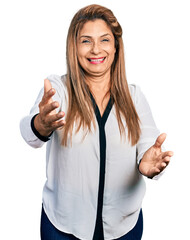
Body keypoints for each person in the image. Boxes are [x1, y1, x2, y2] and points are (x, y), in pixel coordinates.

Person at [20, 4, 173, 240]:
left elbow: (149, 145)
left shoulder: (135, 97)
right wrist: (41, 124)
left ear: (115, 47)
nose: (95, 50)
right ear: (74, 47)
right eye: (85, 41)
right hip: (63, 227)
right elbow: (29, 131)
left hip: (123, 227)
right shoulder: (59, 89)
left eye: (104, 40)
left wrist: (148, 164)